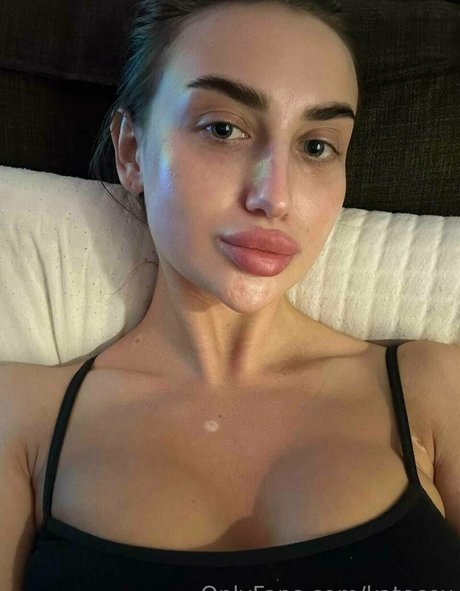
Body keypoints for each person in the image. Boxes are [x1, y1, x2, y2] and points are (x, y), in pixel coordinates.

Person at [2, 1, 459, 590]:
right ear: (132, 151)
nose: (275, 197)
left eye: (316, 146)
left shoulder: (433, 390)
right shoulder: (23, 418)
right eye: (223, 129)